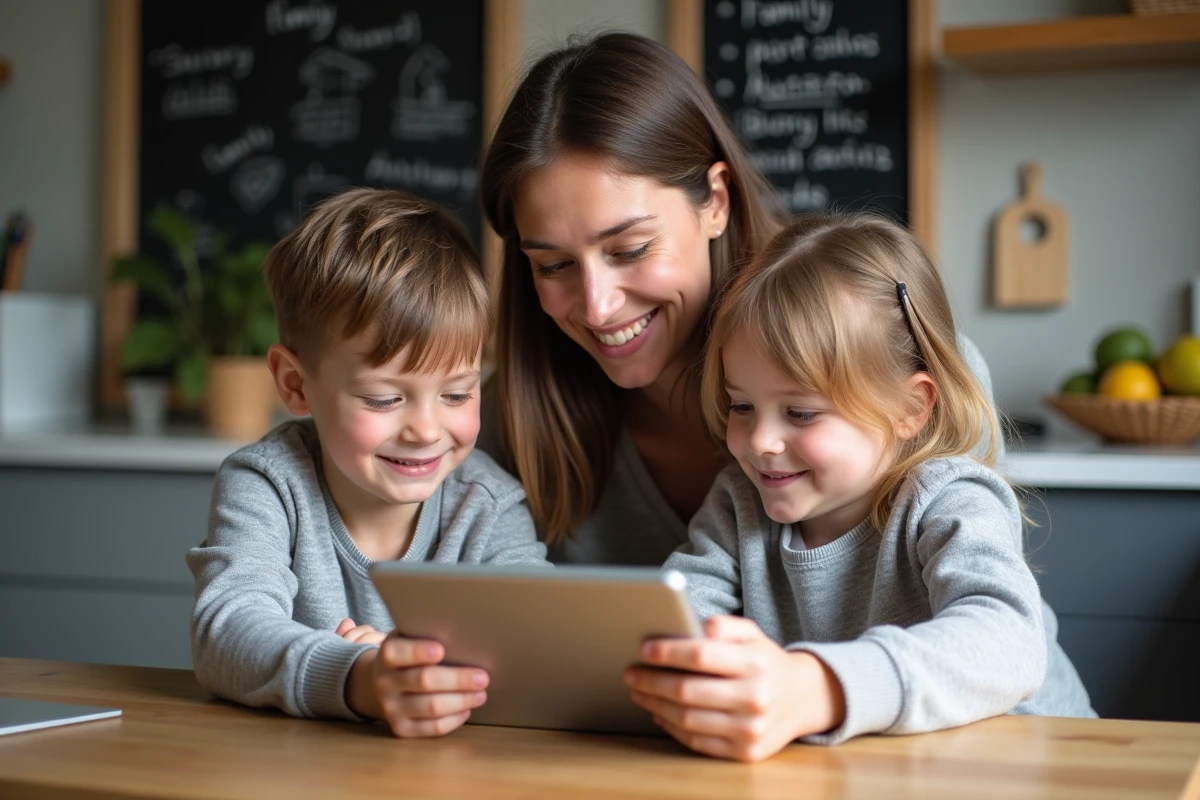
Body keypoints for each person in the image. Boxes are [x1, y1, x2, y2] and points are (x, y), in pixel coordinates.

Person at [477, 32, 1003, 566]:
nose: (597, 306)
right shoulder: (510, 413)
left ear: (717, 202)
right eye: (555, 265)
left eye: (631, 249)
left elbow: (984, 620)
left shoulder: (903, 367)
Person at [622, 213, 1095, 762]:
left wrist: (819, 686)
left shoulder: (949, 498)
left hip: (1034, 764)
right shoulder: (738, 503)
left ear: (910, 408)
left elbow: (1009, 640)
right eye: (742, 406)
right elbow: (681, 614)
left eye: (800, 412)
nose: (761, 441)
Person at [186, 188, 548, 739]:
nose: (426, 430)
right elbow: (228, 631)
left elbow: (540, 642)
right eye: (384, 399)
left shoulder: (490, 506)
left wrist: (415, 667)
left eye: (457, 394)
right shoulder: (266, 484)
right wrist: (359, 675)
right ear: (295, 384)